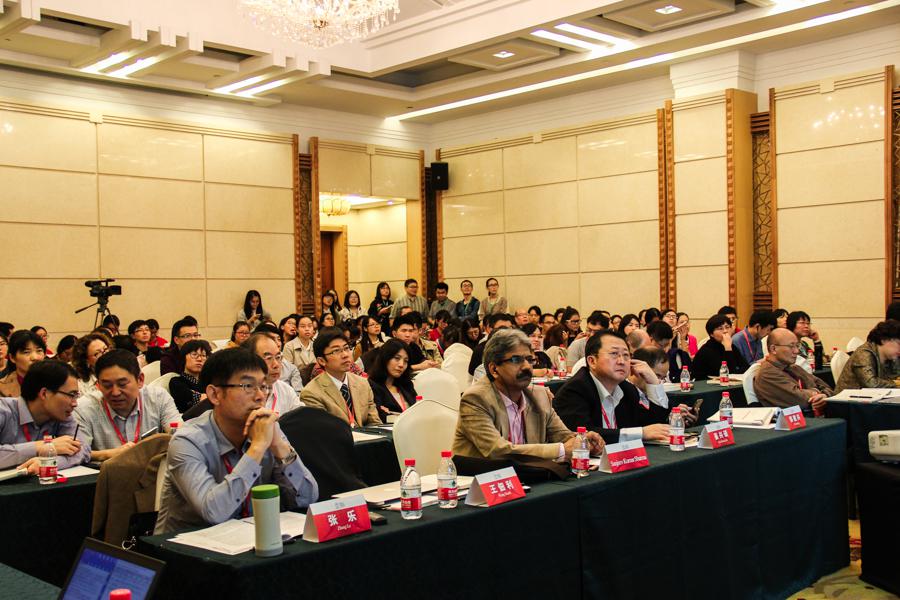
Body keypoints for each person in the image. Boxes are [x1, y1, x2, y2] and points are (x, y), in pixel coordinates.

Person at [154, 348, 317, 534]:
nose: (260, 396)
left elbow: (307, 498)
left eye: (264, 386)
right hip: (190, 545)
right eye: (247, 386)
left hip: (250, 539)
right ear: (215, 395)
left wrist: (279, 446)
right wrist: (257, 448)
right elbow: (213, 512)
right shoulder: (187, 441)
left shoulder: (267, 429)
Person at [452, 328, 603, 460]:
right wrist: (561, 450)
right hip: (482, 480)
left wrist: (583, 441)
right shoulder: (476, 399)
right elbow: (498, 451)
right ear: (494, 369)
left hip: (527, 476)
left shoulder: (539, 395)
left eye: (530, 359)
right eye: (516, 360)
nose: (526, 367)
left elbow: (564, 437)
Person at [553, 332, 674, 444]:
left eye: (626, 355)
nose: (622, 361)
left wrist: (653, 382)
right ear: (592, 361)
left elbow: (654, 426)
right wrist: (641, 433)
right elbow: (584, 434)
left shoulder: (626, 389)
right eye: (614, 354)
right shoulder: (575, 390)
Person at [75, 350, 182, 461]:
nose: (115, 392)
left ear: (140, 380)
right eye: (107, 385)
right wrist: (108, 454)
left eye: (122, 384)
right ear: (98, 385)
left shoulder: (157, 397)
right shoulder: (84, 408)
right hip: (104, 470)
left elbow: (179, 432)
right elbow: (76, 453)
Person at [0, 360, 90, 471]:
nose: (75, 403)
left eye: (76, 396)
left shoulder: (62, 415)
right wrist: (42, 446)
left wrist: (48, 463)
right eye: (71, 395)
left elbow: (83, 450)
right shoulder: (3, 410)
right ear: (44, 393)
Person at [300, 328, 380, 426]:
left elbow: (375, 424)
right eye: (336, 351)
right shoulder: (311, 393)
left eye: (346, 348)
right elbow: (322, 430)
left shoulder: (363, 383)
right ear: (321, 361)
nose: (345, 355)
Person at [754, 328, 832, 413]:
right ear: (773, 349)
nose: (796, 351)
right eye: (791, 346)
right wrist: (817, 392)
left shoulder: (794, 368)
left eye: (797, 346)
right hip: (794, 418)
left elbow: (828, 388)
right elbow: (801, 400)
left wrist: (824, 395)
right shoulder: (767, 374)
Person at [244, 333, 303, 415]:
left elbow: (302, 417)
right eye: (268, 358)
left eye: (278, 357)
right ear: (250, 361)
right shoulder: (241, 393)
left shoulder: (286, 390)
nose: (276, 365)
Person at [835, 321, 900, 393]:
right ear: (884, 340)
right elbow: (871, 383)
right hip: (849, 398)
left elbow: (896, 374)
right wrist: (895, 383)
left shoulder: (891, 355)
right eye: (899, 344)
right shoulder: (863, 353)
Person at [367, 339, 418, 423]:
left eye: (405, 361)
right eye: (397, 358)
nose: (401, 365)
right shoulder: (372, 386)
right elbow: (380, 417)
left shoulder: (407, 385)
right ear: (385, 358)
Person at [690, 315, 748, 379]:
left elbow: (746, 368)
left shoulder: (731, 346)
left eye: (727, 327)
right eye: (720, 328)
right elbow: (727, 373)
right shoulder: (706, 350)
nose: (725, 331)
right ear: (711, 334)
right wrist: (728, 349)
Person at [169, 340, 212, 413]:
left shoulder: (209, 381)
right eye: (194, 354)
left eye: (203, 355)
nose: (199, 359)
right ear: (183, 357)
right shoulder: (176, 382)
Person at [0, 330, 46, 398]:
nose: (35, 357)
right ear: (12, 357)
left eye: (39, 351)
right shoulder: (2, 388)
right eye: (26, 352)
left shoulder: (57, 381)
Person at [71, 332, 111, 398]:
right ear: (86, 361)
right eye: (97, 353)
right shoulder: (80, 387)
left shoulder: (123, 372)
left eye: (105, 349)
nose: (105, 354)